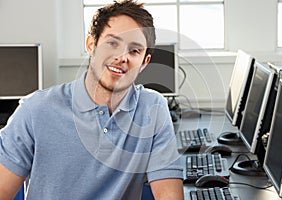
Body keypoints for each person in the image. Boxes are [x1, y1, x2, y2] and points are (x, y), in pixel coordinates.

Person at [0, 0, 183, 199]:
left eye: (134, 50)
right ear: (91, 44)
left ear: (144, 62)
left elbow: (169, 195)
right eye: (112, 43)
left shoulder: (153, 108)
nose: (122, 57)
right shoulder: (35, 110)